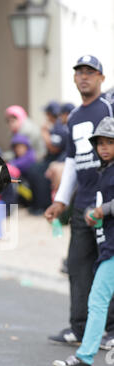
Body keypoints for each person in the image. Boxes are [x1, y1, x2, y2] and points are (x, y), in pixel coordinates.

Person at [45, 55, 114, 348]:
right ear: (74, 78)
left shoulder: (108, 108)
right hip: (82, 201)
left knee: (107, 264)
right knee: (77, 265)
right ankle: (80, 328)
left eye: (90, 72)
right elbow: (71, 162)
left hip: (108, 203)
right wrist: (61, 201)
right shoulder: (72, 117)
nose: (84, 77)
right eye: (79, 72)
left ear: (101, 77)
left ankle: (109, 331)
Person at [53, 116, 114, 366]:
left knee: (98, 298)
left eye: (110, 142)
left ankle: (85, 357)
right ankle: (85, 356)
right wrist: (93, 212)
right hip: (108, 246)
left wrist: (102, 210)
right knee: (98, 299)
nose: (103, 147)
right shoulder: (104, 171)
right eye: (99, 143)